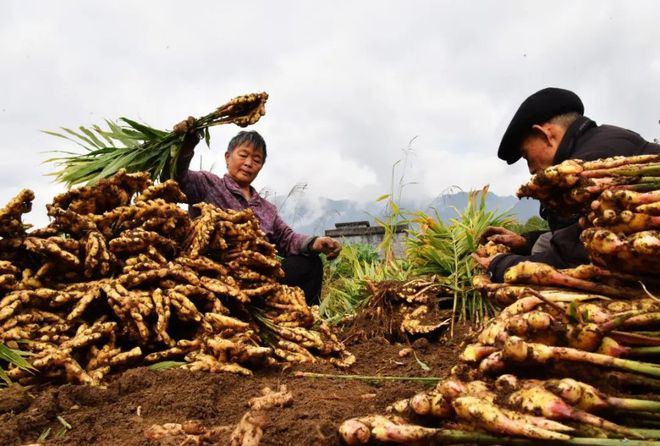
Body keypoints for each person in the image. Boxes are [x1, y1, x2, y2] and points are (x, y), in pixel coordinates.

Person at [472, 87, 660, 282]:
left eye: (527, 156)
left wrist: (499, 265)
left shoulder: (590, 166)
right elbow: (576, 232)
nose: (530, 169)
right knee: (543, 243)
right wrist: (524, 242)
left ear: (545, 135)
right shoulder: (604, 139)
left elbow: (573, 258)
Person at [168, 118, 342, 305]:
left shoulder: (267, 209)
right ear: (228, 157)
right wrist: (186, 146)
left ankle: (303, 319)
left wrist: (315, 243)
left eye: (256, 160)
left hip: (260, 280)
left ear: (261, 166)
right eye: (243, 155)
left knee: (310, 264)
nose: (249, 163)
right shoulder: (207, 184)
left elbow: (288, 239)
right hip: (216, 275)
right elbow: (178, 178)